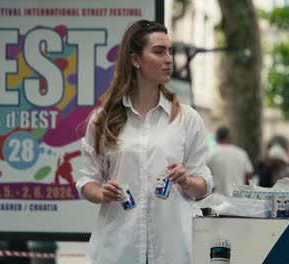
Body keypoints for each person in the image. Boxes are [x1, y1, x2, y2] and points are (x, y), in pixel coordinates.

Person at [75, 20, 213, 264]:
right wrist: (102, 193)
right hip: (118, 248)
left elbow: (203, 185)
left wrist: (187, 180)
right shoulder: (104, 118)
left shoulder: (186, 118)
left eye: (170, 51)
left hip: (173, 250)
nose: (169, 59)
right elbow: (87, 180)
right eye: (159, 52)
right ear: (135, 60)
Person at [206, 126, 253, 196]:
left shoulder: (210, 153)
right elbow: (249, 176)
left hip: (216, 200)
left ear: (216, 138)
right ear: (229, 138)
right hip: (237, 199)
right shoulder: (241, 153)